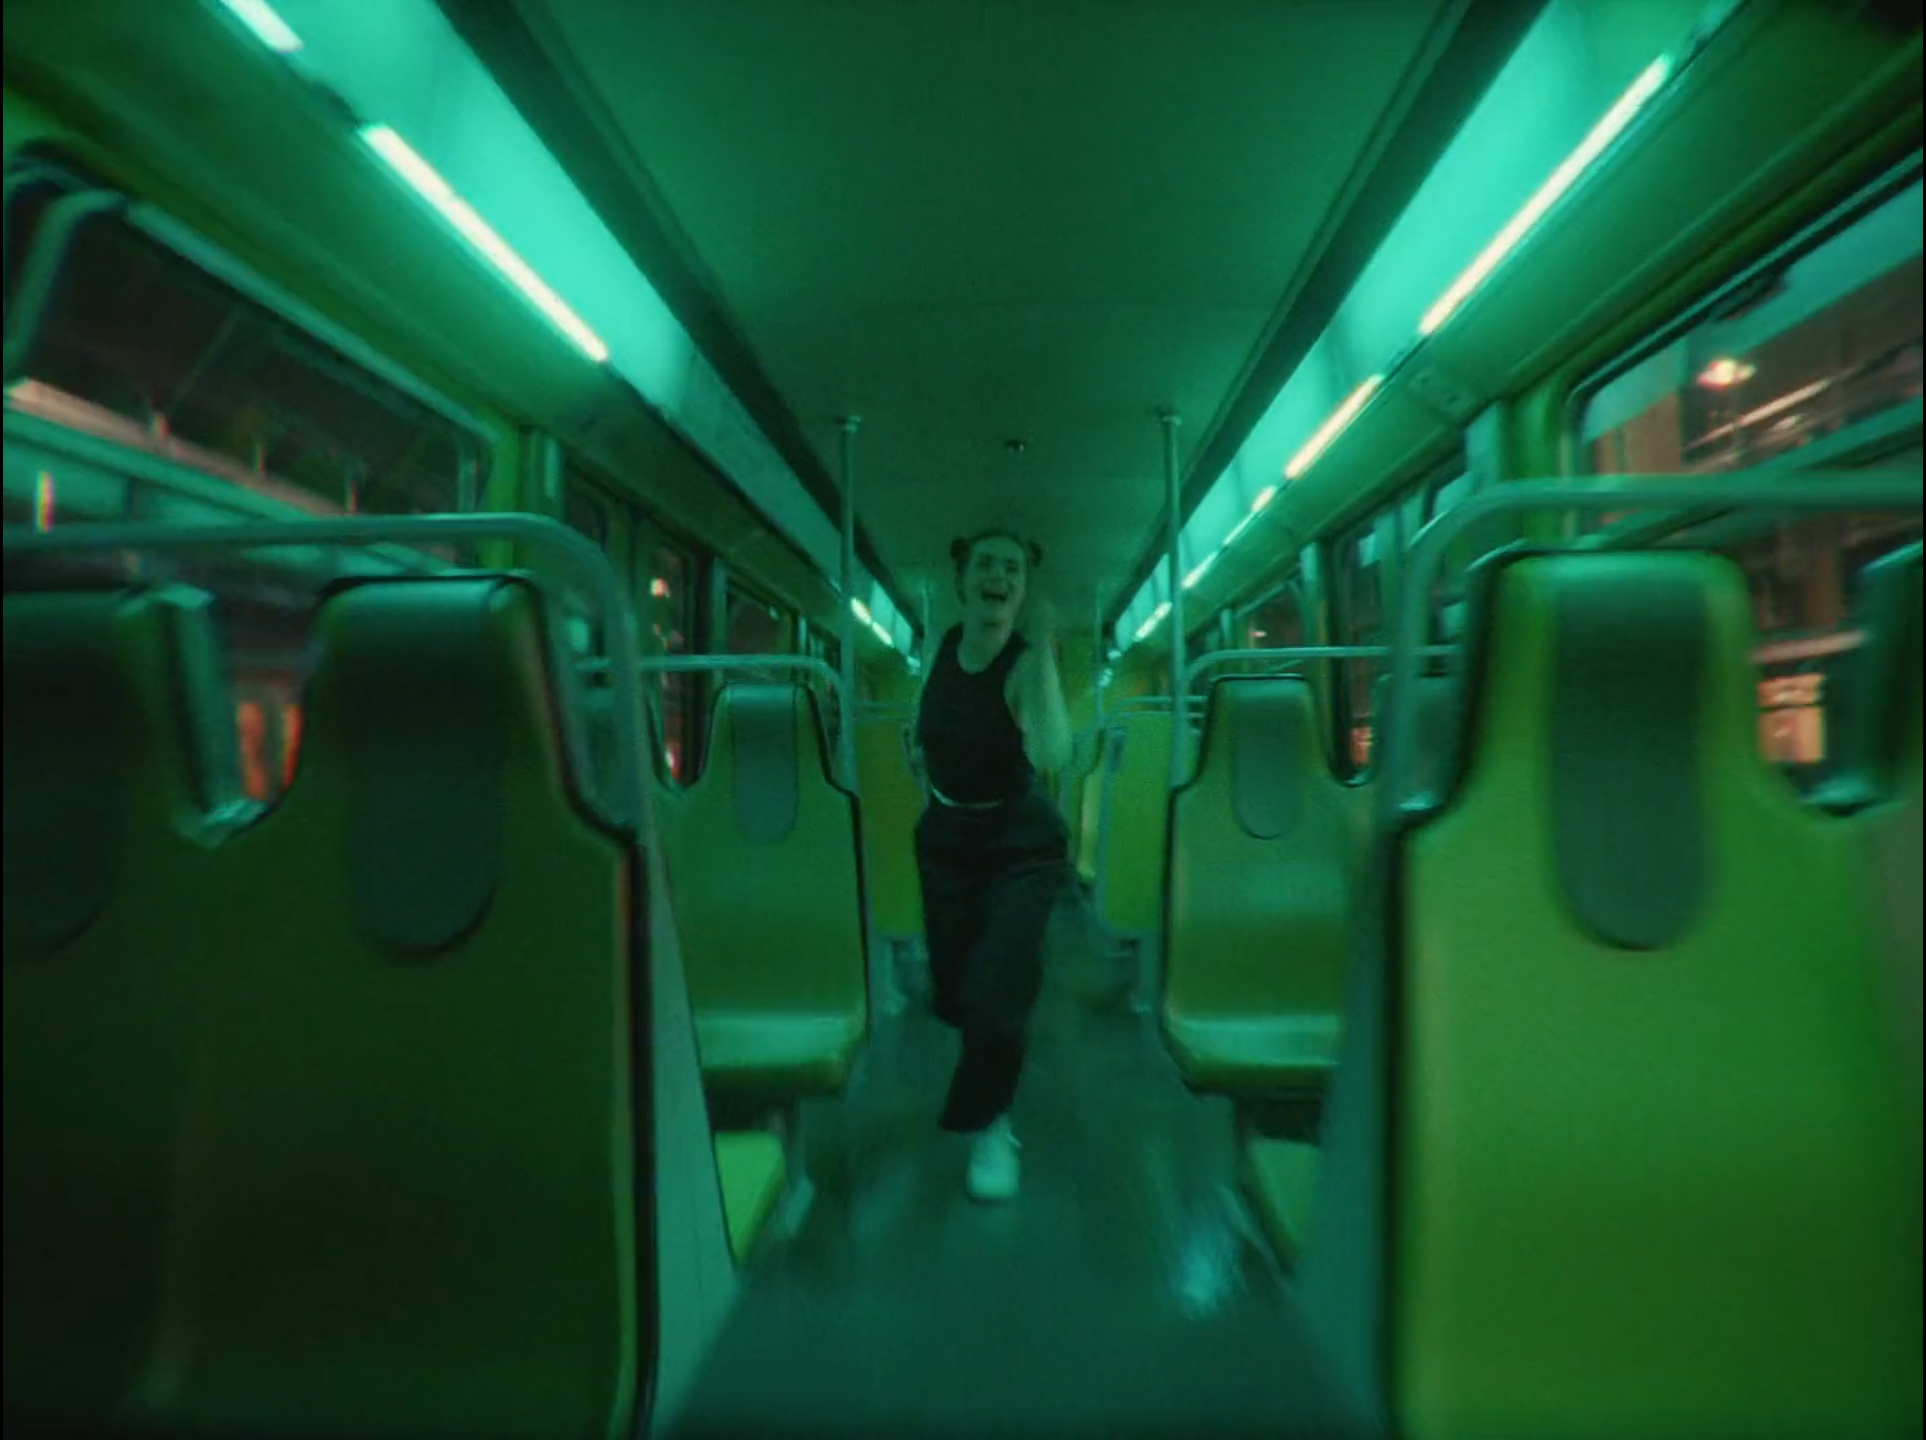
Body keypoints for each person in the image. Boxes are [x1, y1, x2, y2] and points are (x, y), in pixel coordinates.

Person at [911, 527, 1074, 1203]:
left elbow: (1057, 753)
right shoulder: (941, 645)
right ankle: (987, 1089)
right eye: (985, 563)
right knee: (954, 995)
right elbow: (927, 732)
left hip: (1019, 847)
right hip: (948, 838)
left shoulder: (1022, 663)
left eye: (1012, 566)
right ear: (963, 580)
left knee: (998, 1001)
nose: (998, 574)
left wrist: (1044, 656)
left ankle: (991, 1127)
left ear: (1023, 588)